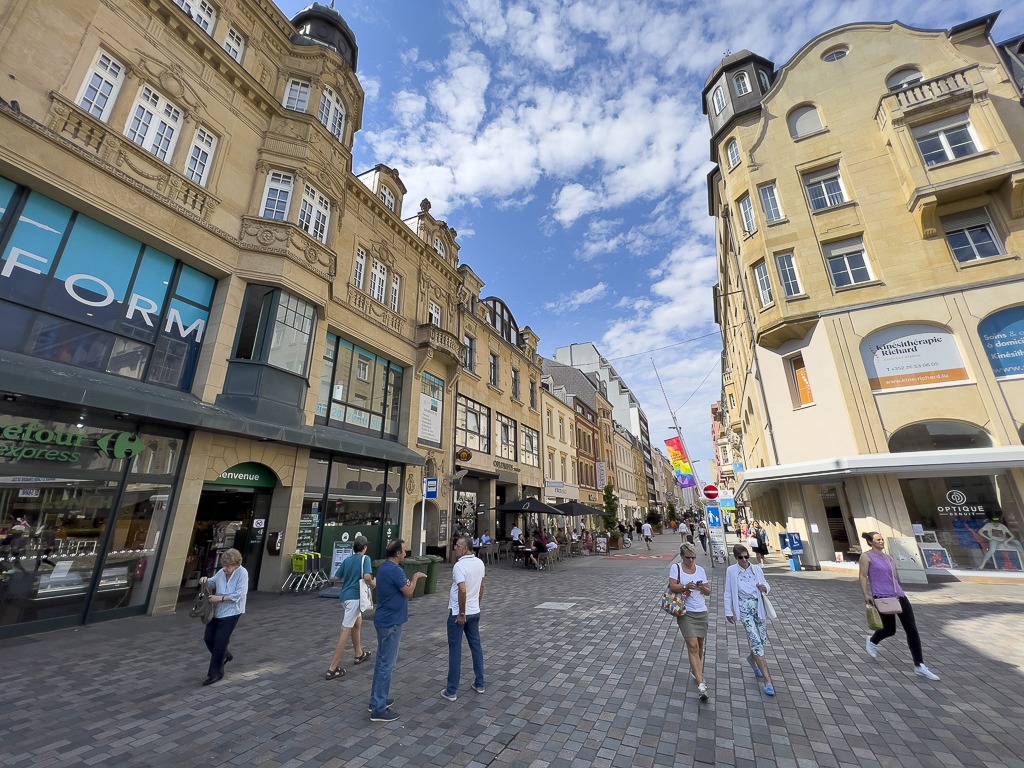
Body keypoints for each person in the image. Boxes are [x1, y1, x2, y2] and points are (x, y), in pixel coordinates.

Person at [859, 531, 940, 680]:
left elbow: (894, 578)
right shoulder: (866, 556)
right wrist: (866, 594)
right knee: (890, 630)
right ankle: (872, 640)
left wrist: (899, 590)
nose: (881, 542)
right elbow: (863, 575)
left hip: (899, 595)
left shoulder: (888, 558)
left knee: (912, 629)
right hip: (881, 597)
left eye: (882, 539)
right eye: (878, 540)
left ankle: (919, 665)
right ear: (870, 542)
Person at [369, 539, 426, 721]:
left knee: (381, 661)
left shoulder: (384, 568)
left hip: (384, 619)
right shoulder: (395, 570)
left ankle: (377, 699)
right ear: (397, 554)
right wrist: (416, 577)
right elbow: (408, 592)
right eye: (403, 551)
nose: (405, 554)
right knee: (387, 664)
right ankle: (379, 707)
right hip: (391, 622)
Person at [724, 544, 776, 696]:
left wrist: (764, 587)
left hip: (758, 607)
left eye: (747, 557)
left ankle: (752, 658)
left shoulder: (756, 569)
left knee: (762, 639)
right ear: (736, 558)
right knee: (755, 640)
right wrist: (729, 611)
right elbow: (728, 592)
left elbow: (766, 583)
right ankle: (768, 680)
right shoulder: (731, 571)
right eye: (741, 558)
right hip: (744, 608)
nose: (745, 560)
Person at [441, 535, 486, 701]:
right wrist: (477, 604)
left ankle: (451, 690)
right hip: (474, 611)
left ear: (465, 548)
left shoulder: (459, 566)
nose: (455, 548)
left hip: (459, 613)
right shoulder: (480, 563)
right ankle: (480, 682)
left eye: (458, 546)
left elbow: (463, 589)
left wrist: (461, 612)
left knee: (455, 649)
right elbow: (482, 586)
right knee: (476, 646)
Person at [326, 537, 375, 679]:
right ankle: (332, 668)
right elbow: (367, 577)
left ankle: (359, 654)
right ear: (364, 547)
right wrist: (373, 582)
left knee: (357, 622)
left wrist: (351, 577)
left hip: (345, 596)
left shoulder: (347, 560)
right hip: (355, 598)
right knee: (345, 629)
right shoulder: (365, 559)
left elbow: (336, 576)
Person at [198, 548, 247, 686]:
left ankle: (215, 673)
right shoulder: (221, 572)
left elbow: (238, 595)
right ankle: (226, 654)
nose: (225, 569)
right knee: (208, 638)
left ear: (236, 564)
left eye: (228, 566)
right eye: (224, 566)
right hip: (217, 611)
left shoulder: (242, 573)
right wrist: (205, 580)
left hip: (232, 612)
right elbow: (212, 582)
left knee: (220, 640)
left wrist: (219, 598)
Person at [669, 543, 711, 701]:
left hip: (701, 611)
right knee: (692, 645)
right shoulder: (676, 568)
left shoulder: (700, 569)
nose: (691, 560)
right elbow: (672, 586)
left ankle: (696, 671)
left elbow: (708, 591)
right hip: (685, 612)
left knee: (700, 645)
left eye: (693, 557)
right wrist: (686, 586)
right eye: (688, 557)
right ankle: (701, 684)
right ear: (682, 556)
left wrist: (701, 588)